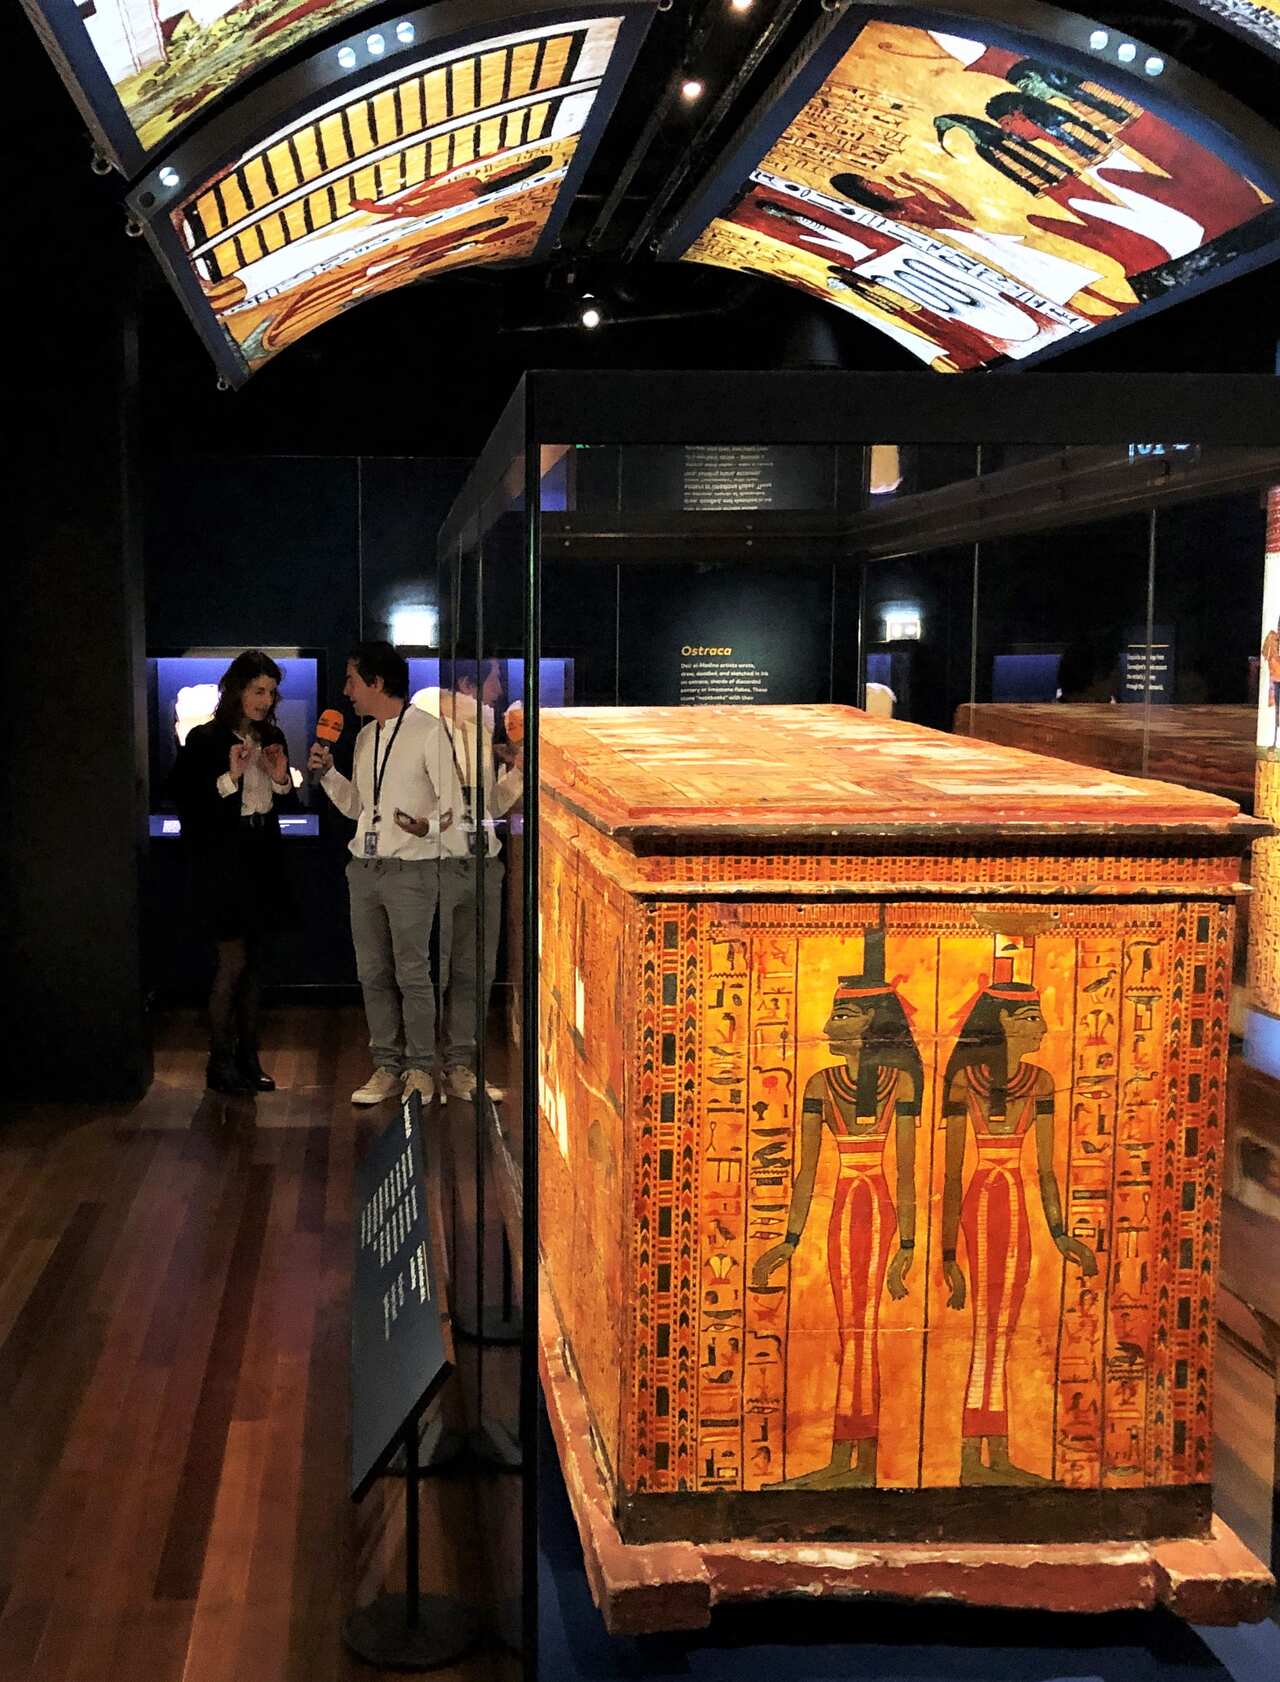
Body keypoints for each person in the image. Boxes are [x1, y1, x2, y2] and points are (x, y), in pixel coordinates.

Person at [752, 933, 922, 1489]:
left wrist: (908, 1246)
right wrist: (789, 1240)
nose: (830, 1024)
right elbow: (805, 1171)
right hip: (842, 1210)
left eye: (842, 1014)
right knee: (852, 1329)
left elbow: (904, 1170)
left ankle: (858, 1461)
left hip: (875, 1208)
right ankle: (847, 1457)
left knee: (865, 1328)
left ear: (871, 1023)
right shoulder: (821, 1084)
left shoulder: (898, 1083)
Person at [941, 967, 1097, 1485]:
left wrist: (1061, 1234)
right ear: (1003, 1021)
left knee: (1001, 1331)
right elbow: (952, 1171)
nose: (1043, 1028)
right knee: (987, 1330)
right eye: (1032, 1017)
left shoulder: (1041, 1083)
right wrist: (945, 1257)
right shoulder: (967, 1081)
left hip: (1016, 1205)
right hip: (982, 1202)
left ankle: (996, 1455)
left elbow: (1047, 1169)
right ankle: (972, 1457)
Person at [309, 642, 461, 1106]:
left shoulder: (429, 731)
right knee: (372, 972)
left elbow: (453, 807)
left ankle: (420, 1069)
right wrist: (328, 774)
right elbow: (359, 807)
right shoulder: (365, 736)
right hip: (365, 868)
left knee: (413, 973)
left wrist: (425, 827)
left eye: (353, 680)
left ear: (377, 683)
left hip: (411, 869)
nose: (346, 690)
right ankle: (387, 1066)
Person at [166, 650, 295, 1096]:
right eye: (258, 690)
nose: (265, 700)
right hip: (223, 860)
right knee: (231, 961)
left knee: (255, 963)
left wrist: (281, 779)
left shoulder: (272, 735)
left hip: (262, 856)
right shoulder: (204, 739)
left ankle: (249, 1058)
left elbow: (285, 802)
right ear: (237, 690)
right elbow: (187, 802)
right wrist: (230, 777)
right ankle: (219, 1061)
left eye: (271, 692)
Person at [415, 659, 522, 1101]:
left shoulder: (481, 735)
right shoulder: (427, 720)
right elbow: (429, 700)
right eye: (495, 680)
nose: (498, 692)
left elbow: (490, 806)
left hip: (482, 862)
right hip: (437, 863)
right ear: (466, 684)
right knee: (429, 972)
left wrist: (518, 769)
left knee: (474, 971)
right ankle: (420, 1068)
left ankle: (459, 1064)